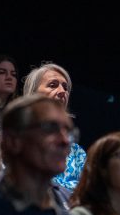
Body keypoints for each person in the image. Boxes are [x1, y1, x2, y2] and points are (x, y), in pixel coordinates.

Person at [23, 62, 85, 191]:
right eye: (53, 85)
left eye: (65, 88)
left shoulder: (77, 153)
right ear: (33, 93)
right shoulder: (18, 138)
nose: (62, 92)